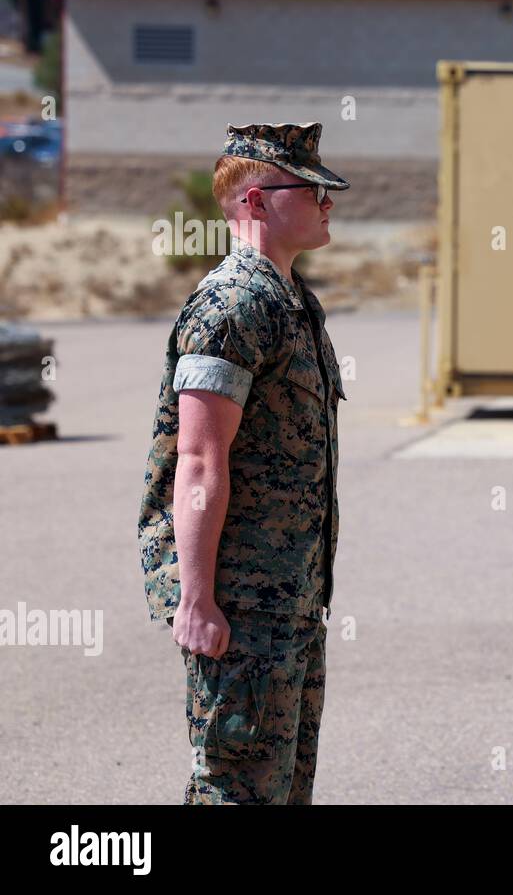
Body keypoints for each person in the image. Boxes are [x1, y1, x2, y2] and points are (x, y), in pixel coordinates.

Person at [138, 122, 349, 804]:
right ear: (255, 202)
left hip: (289, 600)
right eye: (310, 188)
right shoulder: (233, 306)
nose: (327, 201)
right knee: (236, 789)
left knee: (283, 788)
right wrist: (196, 598)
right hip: (241, 607)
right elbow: (199, 459)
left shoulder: (292, 302)